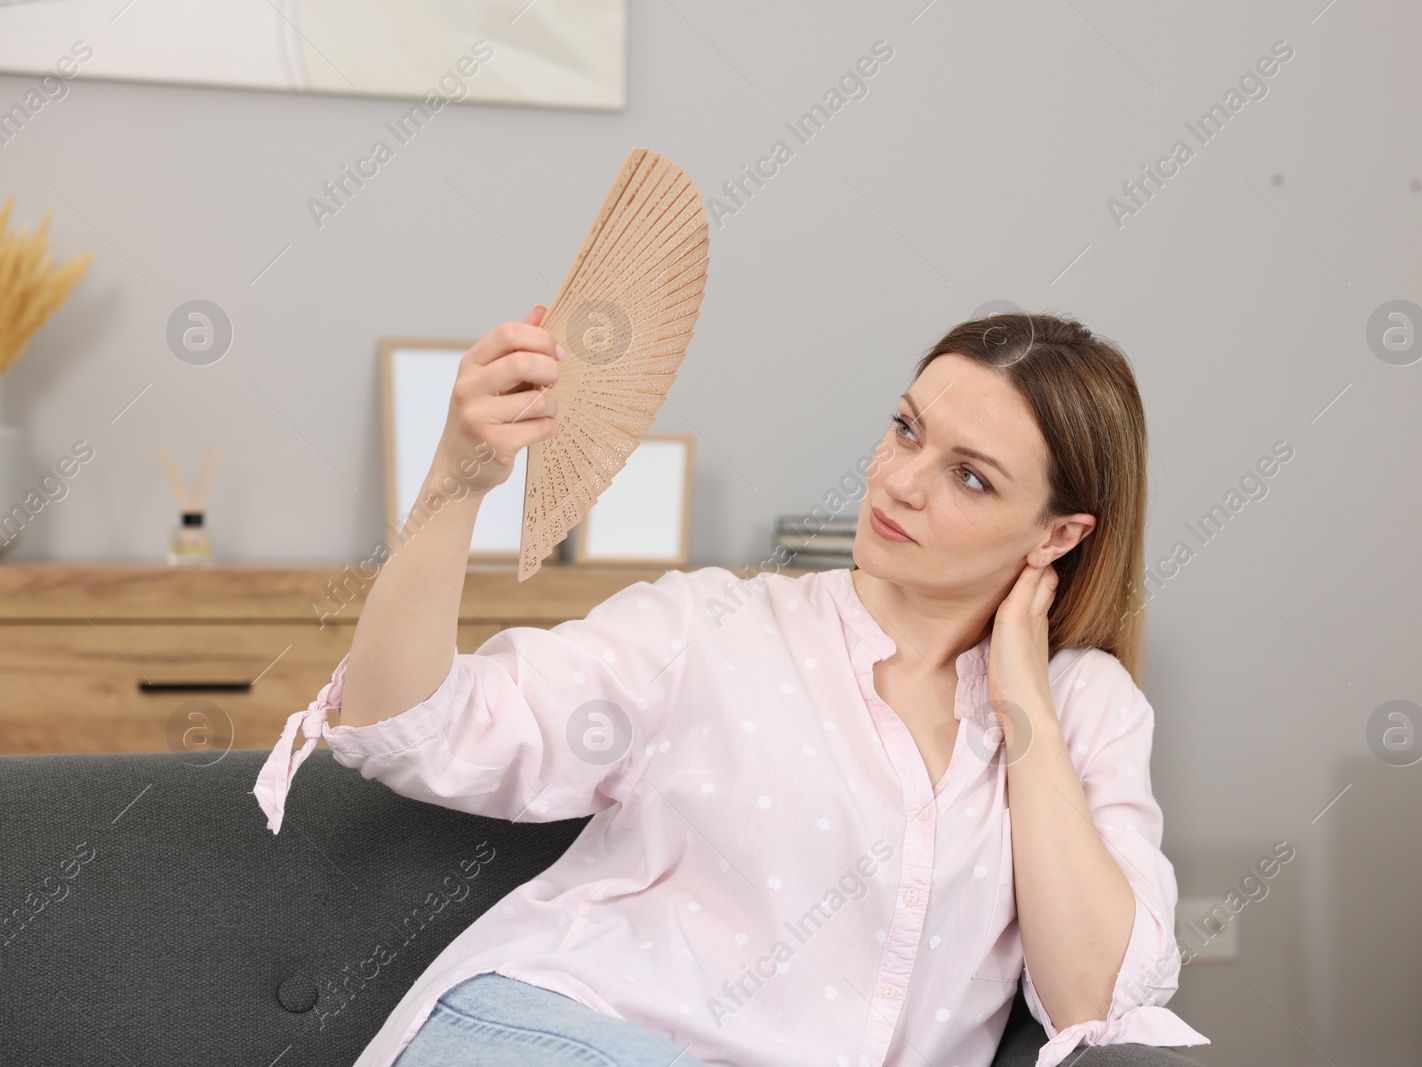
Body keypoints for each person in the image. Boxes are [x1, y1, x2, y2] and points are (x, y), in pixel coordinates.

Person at [251, 305, 1211, 1067]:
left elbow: (1097, 999)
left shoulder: (1083, 707)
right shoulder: (710, 629)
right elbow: (413, 729)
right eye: (907, 429)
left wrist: (1023, 703)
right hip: (549, 1035)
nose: (901, 481)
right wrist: (457, 484)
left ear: (1057, 536)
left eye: (969, 476)